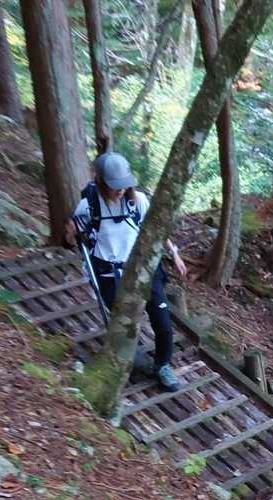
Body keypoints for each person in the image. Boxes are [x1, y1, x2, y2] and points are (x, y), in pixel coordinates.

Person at [67, 153, 187, 391]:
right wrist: (70, 231)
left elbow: (157, 228)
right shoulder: (89, 205)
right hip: (109, 274)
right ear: (101, 182)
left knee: (163, 323)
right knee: (124, 323)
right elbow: (73, 236)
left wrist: (174, 253)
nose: (121, 190)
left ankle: (163, 365)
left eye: (123, 185)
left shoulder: (138, 201)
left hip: (143, 269)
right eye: (115, 186)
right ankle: (124, 361)